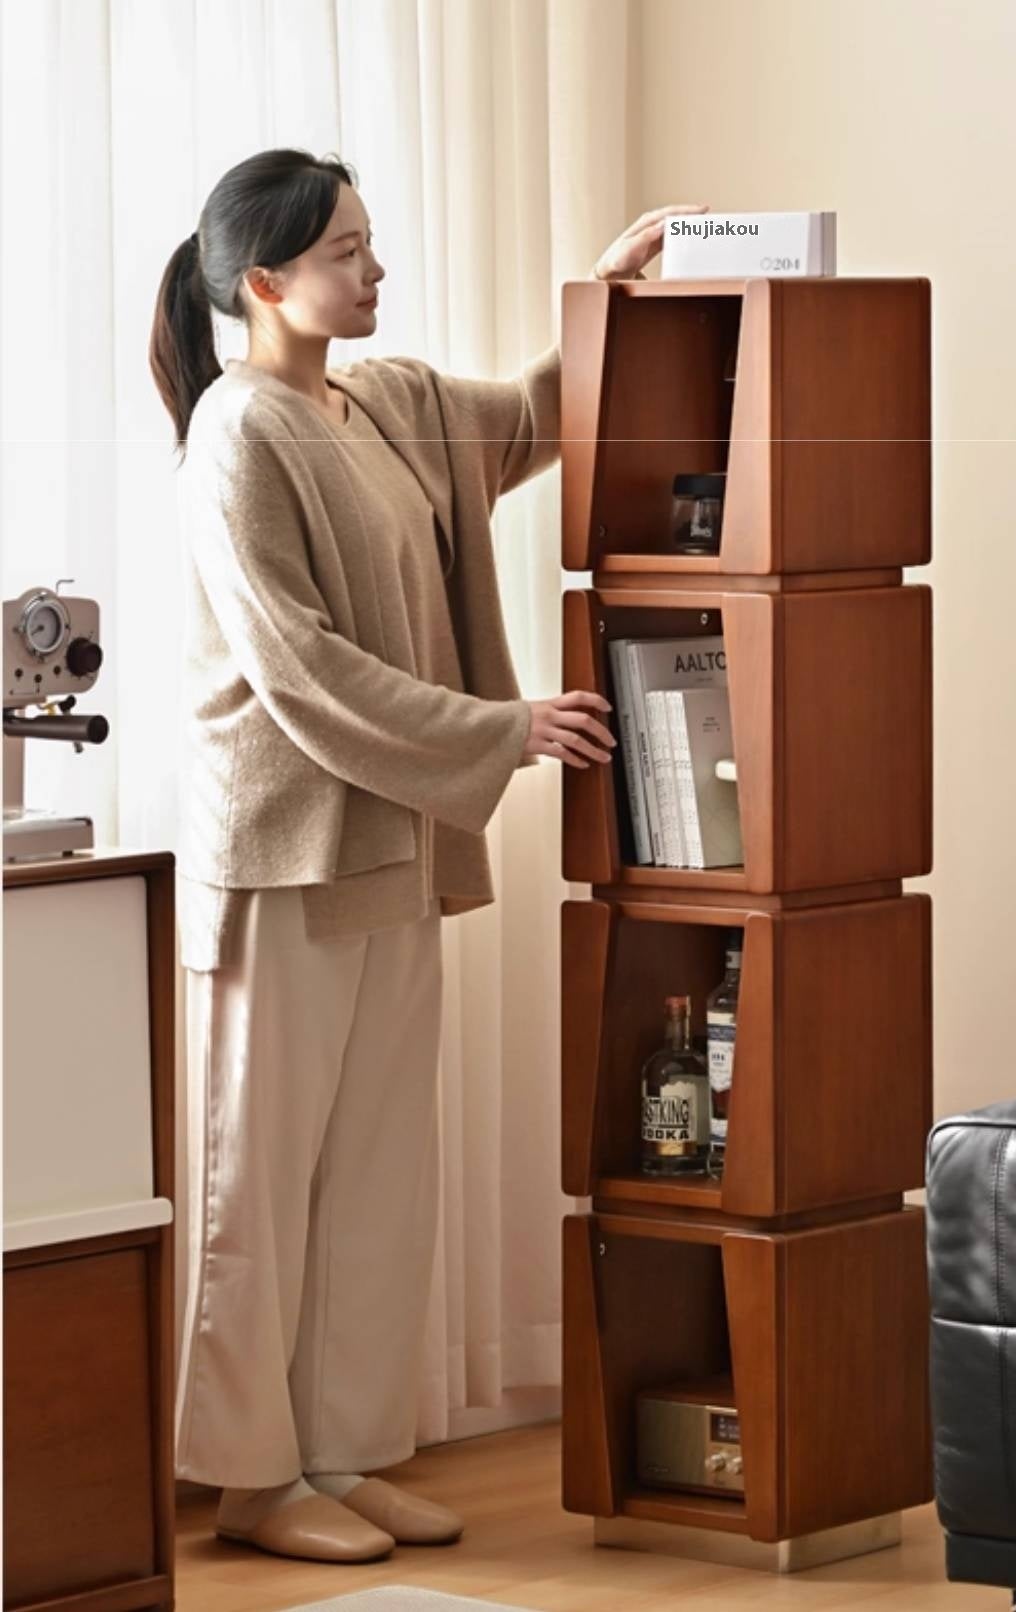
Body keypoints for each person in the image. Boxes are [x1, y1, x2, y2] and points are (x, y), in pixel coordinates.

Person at [149, 145, 707, 1565]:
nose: (375, 268)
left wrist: (610, 294)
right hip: (282, 856)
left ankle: (338, 1454)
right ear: (265, 280)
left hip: (392, 845)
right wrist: (501, 729)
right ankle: (253, 1478)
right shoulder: (238, 435)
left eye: (372, 241)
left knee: (381, 1172)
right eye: (346, 251)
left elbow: (530, 415)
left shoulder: (383, 400)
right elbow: (298, 666)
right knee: (259, 1181)